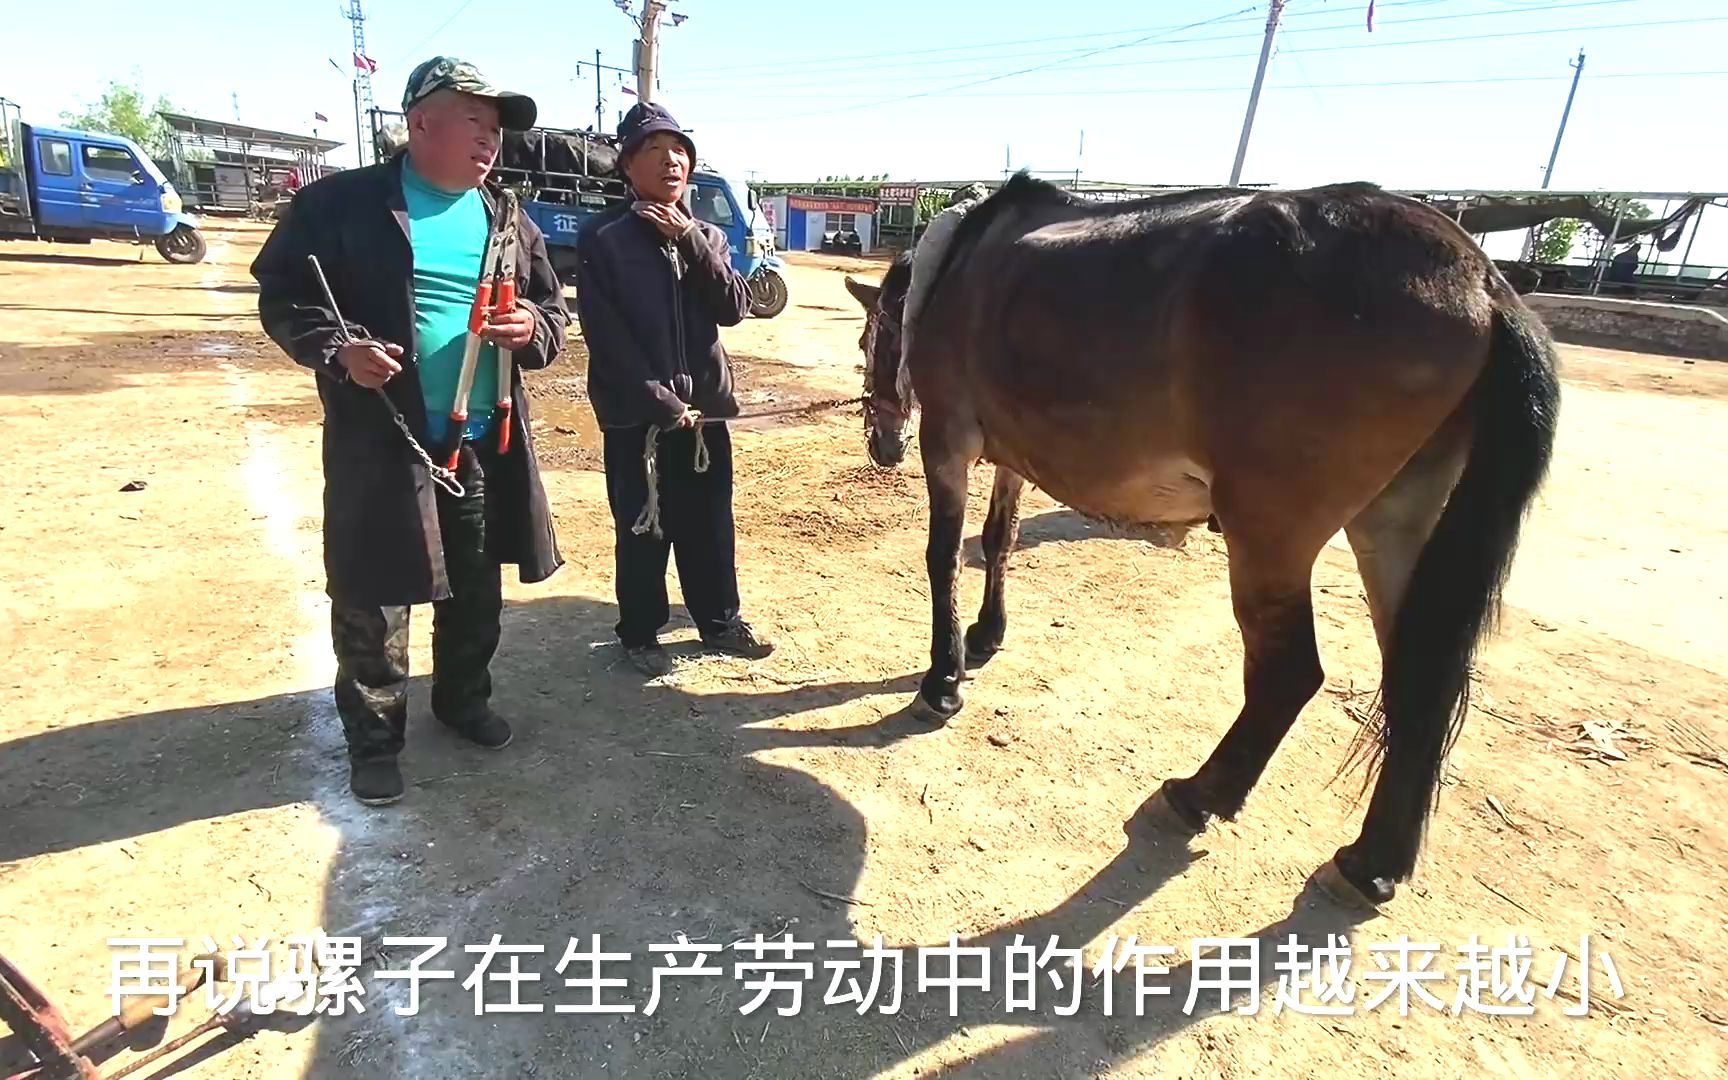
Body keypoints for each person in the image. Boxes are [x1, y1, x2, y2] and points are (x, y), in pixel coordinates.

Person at [251, 57, 568, 806]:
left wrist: (530, 328)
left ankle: (462, 701)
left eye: (496, 129)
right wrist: (337, 350)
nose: (490, 140)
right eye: (475, 122)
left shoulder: (505, 216)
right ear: (420, 121)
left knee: (477, 591)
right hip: (384, 442)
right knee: (374, 596)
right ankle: (374, 739)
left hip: (481, 440)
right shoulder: (340, 205)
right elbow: (286, 297)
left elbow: (553, 315)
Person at [573, 102, 774, 676]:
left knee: (710, 524)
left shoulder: (705, 232)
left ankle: (719, 623)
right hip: (638, 419)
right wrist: (661, 402)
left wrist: (691, 239)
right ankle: (639, 634)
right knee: (644, 526)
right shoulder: (603, 237)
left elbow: (735, 308)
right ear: (628, 165)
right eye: (655, 153)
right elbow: (606, 336)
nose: (672, 163)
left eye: (680, 152)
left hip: (705, 416)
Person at [901, 182, 989, 369]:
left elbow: (919, 285)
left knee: (913, 309)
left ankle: (906, 367)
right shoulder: (1004, 218)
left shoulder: (948, 218)